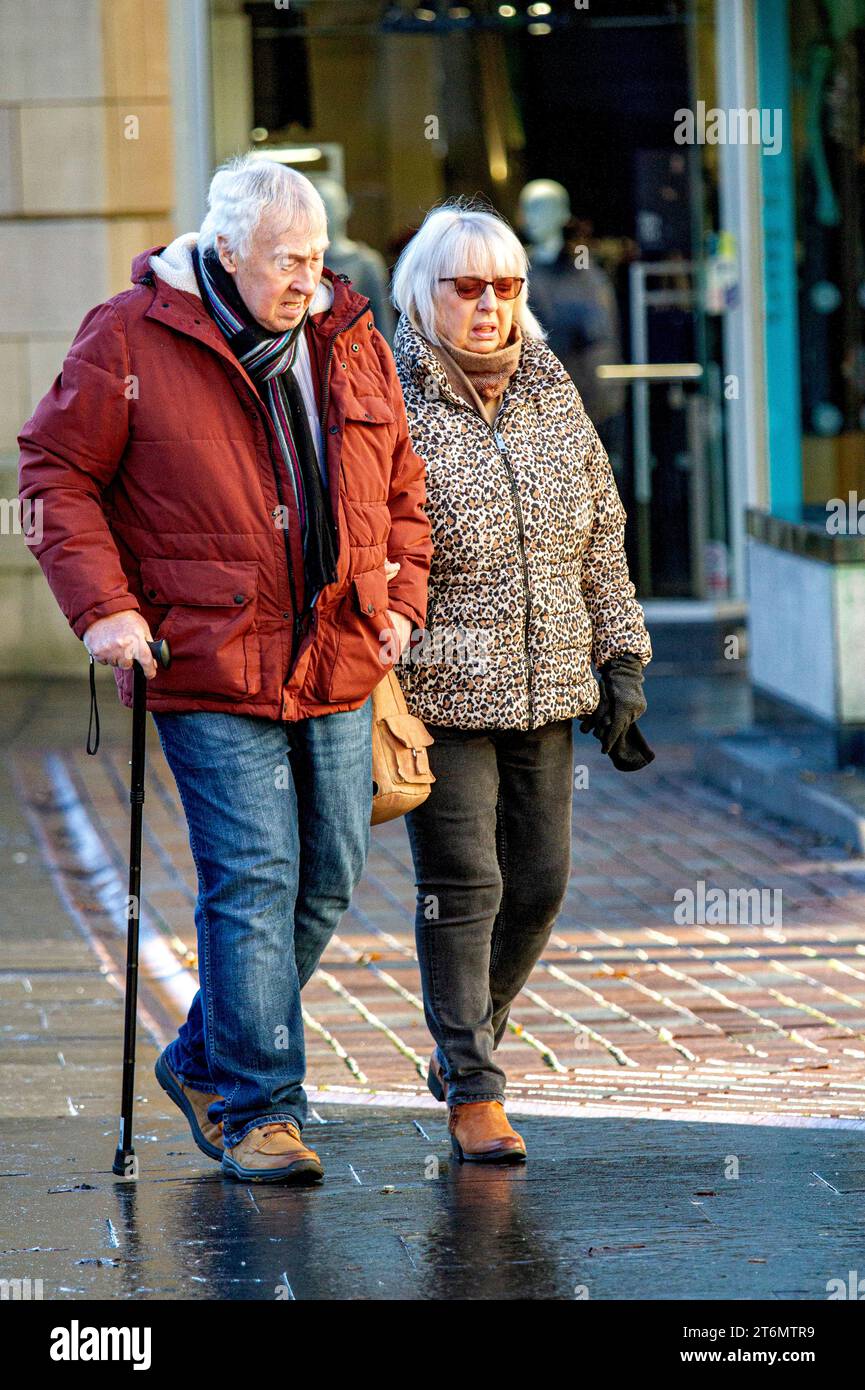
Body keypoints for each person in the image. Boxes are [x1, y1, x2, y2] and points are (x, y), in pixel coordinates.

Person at [18, 155, 432, 1184]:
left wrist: (403, 599)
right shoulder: (129, 334)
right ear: (226, 252)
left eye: (318, 257)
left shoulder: (348, 336)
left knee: (329, 872)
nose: (307, 278)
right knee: (253, 881)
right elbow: (55, 474)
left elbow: (405, 487)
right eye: (287, 261)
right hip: (203, 655)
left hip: (336, 647)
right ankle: (260, 1108)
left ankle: (203, 1057)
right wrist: (106, 609)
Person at [390, 199, 652, 1164]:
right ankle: (472, 1088)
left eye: (506, 286)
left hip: (546, 689)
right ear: (426, 294)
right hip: (442, 687)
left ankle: (466, 1046)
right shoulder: (391, 396)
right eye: (468, 288)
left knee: (538, 886)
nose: (490, 305)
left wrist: (619, 656)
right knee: (466, 887)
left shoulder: (548, 385)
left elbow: (600, 529)